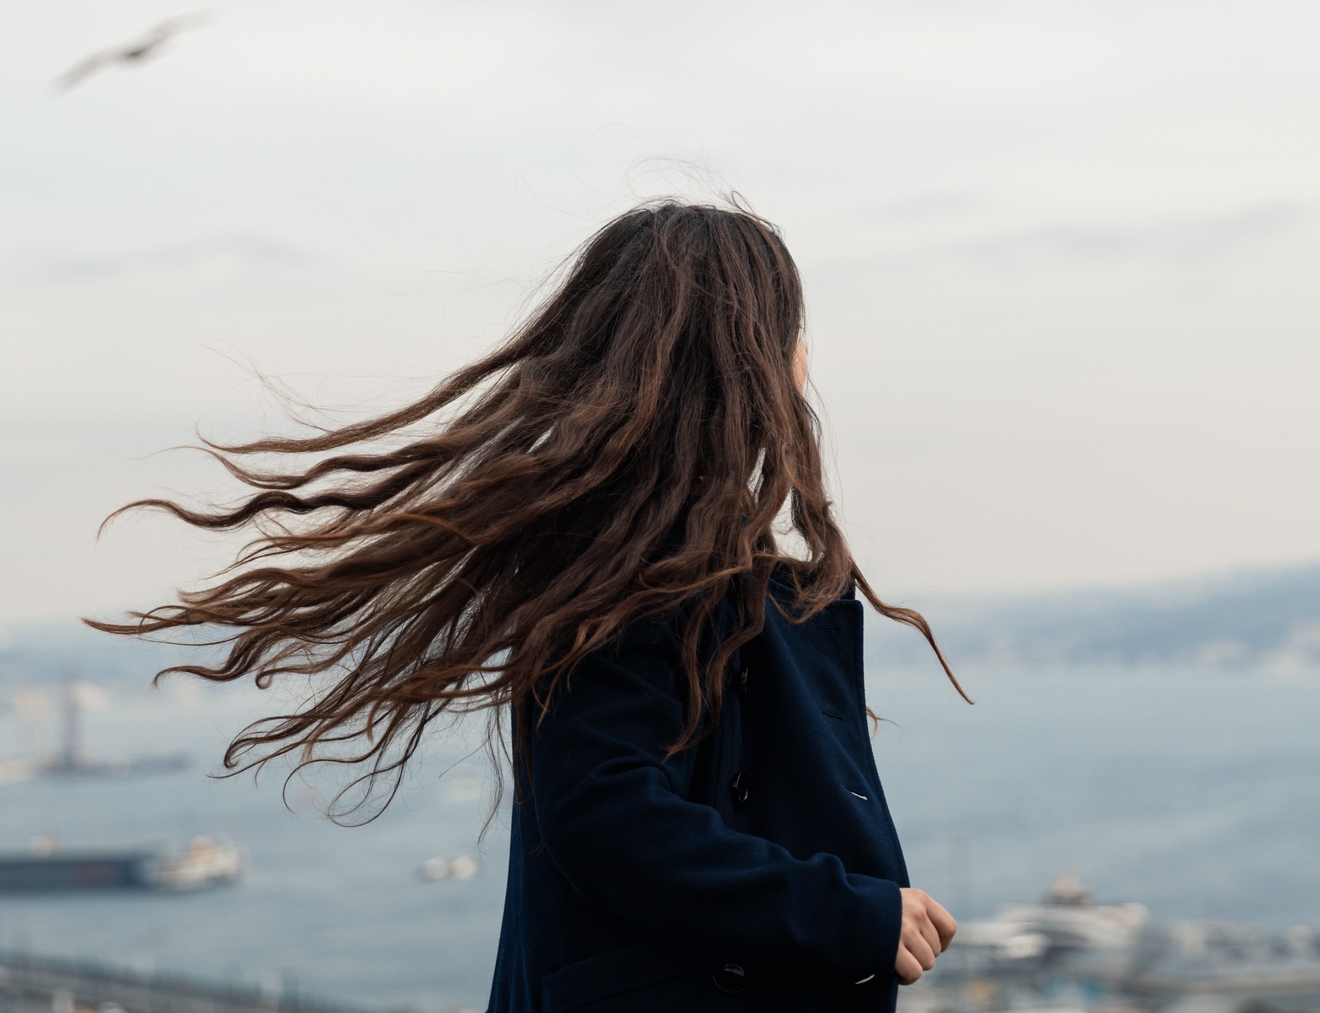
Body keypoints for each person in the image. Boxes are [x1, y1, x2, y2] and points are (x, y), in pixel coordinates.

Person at [92, 201, 966, 1011]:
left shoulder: (655, 561)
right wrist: (847, 910)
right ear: (749, 365)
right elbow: (608, 811)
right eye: (791, 333)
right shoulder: (639, 569)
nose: (805, 358)